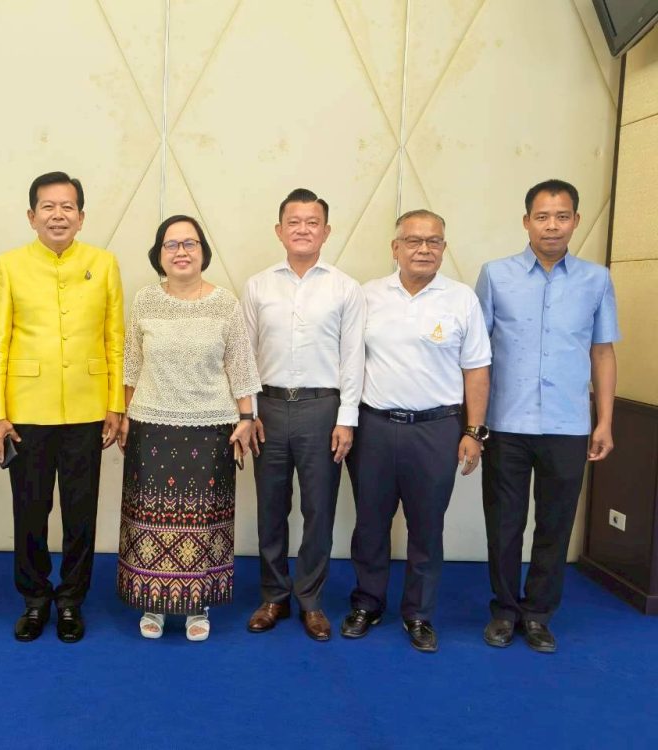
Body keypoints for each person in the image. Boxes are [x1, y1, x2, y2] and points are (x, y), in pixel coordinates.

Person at [476, 179, 618, 653]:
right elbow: (476, 354)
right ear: (526, 222)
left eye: (561, 216)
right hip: (506, 424)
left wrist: (604, 421)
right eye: (542, 216)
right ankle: (503, 610)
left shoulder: (597, 280)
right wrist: (473, 423)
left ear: (576, 221)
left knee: (555, 526)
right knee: (504, 525)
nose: (552, 226)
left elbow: (602, 352)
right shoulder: (495, 275)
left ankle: (538, 614)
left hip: (568, 425)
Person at [341, 210, 491, 652]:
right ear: (396, 248)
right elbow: (347, 360)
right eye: (413, 241)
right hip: (374, 427)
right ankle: (367, 603)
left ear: (444, 248)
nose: (424, 249)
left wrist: (474, 431)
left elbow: (477, 369)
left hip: (437, 429)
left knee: (427, 527)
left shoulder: (461, 299)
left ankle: (419, 614)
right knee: (371, 523)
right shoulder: (367, 295)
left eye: (433, 241)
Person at [0, 171, 124, 644]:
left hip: (88, 409)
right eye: (48, 206)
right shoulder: (9, 265)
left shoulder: (104, 263)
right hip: (25, 411)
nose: (58, 215)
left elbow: (115, 339)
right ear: (31, 216)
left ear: (81, 217)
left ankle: (70, 601)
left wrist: (115, 405)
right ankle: (34, 599)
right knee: (30, 509)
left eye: (68, 207)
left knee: (81, 512)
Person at [116, 215, 260, 641]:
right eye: (171, 244)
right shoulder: (144, 301)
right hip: (150, 425)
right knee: (150, 517)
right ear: (159, 254)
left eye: (190, 243)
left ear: (202, 252)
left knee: (202, 518)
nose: (181, 252)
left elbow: (241, 366)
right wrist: (124, 416)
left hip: (210, 427)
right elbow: (131, 364)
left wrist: (246, 418)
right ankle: (154, 601)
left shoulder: (225, 303)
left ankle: (197, 603)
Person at [241, 188, 365, 641]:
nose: (303, 229)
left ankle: (311, 600)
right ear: (279, 230)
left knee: (319, 508)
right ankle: (274, 595)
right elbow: (244, 355)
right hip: (268, 409)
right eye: (294, 222)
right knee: (271, 507)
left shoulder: (345, 288)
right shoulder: (257, 286)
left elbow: (353, 358)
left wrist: (346, 418)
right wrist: (249, 412)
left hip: (322, 409)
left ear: (326, 231)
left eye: (312, 222)